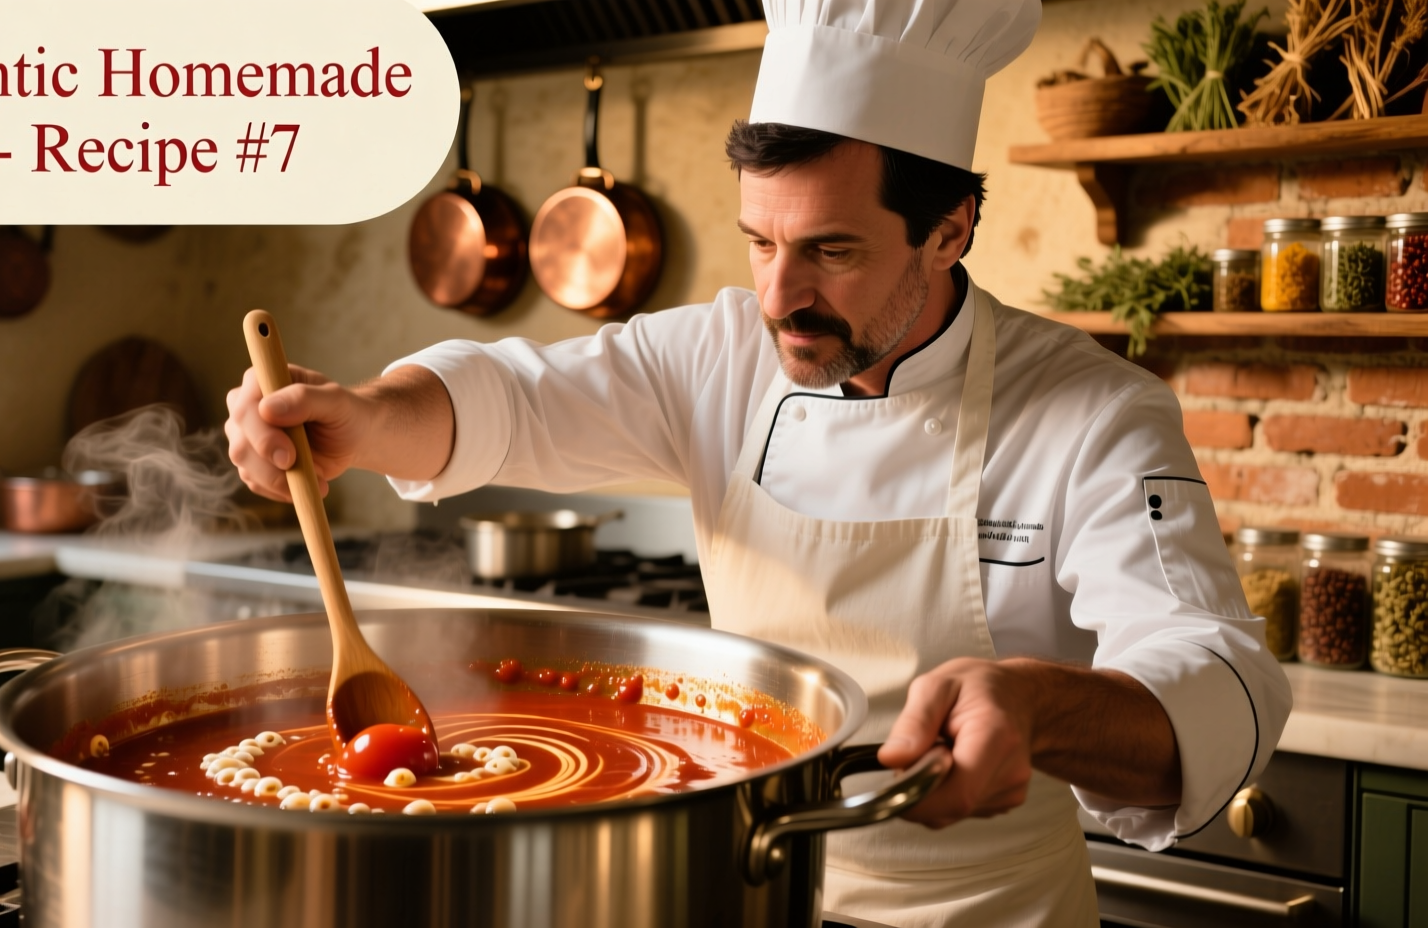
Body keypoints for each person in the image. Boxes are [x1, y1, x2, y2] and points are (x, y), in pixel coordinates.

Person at [227, 0, 1291, 923]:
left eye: (831, 251)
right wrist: (364, 415)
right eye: (759, 242)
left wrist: (1034, 702)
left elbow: (1215, 674)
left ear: (950, 230)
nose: (780, 297)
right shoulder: (718, 356)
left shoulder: (1091, 412)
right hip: (744, 890)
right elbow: (509, 401)